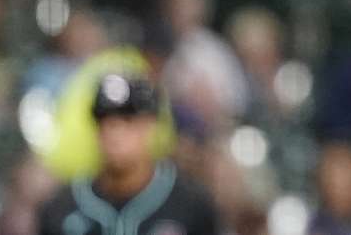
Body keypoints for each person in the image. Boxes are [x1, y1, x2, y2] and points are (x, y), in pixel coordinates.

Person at [37, 73, 219, 235]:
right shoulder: (62, 208)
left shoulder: (191, 205)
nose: (115, 133)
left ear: (150, 125)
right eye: (106, 121)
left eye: (128, 120)